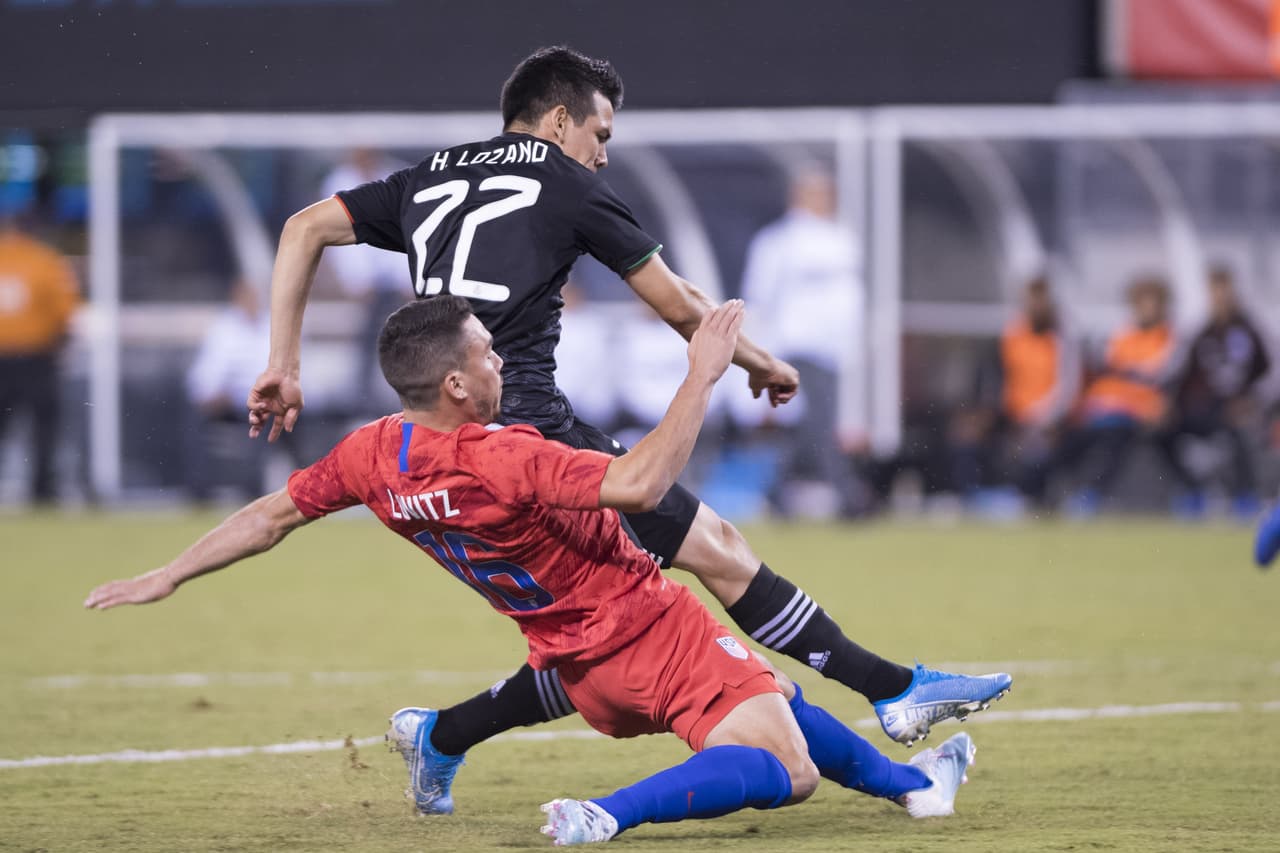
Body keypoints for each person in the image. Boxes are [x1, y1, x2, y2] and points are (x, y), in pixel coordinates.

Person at [245, 46, 1010, 808]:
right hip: (532, 435)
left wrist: (283, 361)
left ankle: (443, 734)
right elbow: (678, 303)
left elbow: (303, 228)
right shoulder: (566, 182)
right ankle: (891, 689)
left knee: (601, 630)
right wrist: (757, 360)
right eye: (600, 133)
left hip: (453, 438)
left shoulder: (430, 175)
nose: (604, 153)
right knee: (710, 555)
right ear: (558, 120)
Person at [87, 297, 977, 843]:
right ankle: (606, 814)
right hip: (648, 629)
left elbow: (271, 515)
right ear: (456, 387)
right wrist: (702, 374)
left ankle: (917, 784)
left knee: (773, 695)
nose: (498, 358)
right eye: (485, 351)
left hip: (573, 667)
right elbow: (640, 484)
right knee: (789, 769)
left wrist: (169, 573)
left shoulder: (371, 455)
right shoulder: (501, 454)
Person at [740, 169, 867, 518]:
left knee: (811, 426)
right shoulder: (778, 242)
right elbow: (760, 299)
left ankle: (776, 493)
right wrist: (761, 353)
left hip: (831, 349)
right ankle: (848, 497)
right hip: (797, 344)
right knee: (819, 422)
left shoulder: (842, 239)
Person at [1048, 275, 1175, 514]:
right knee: (1065, 441)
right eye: (1142, 303)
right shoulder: (1122, 337)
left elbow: (1159, 377)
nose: (1147, 310)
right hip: (1101, 409)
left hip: (1137, 414)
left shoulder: (1169, 339)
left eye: (1153, 304)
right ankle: (1036, 492)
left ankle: (1091, 496)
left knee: (1114, 441)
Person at [1154, 265, 1270, 518]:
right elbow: (1177, 373)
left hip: (1238, 407)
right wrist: (1167, 403)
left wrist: (1252, 400)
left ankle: (1245, 496)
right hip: (1203, 408)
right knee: (1159, 432)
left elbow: (1269, 372)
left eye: (1224, 291)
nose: (1220, 298)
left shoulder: (1251, 330)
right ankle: (1192, 490)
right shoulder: (1199, 331)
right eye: (1215, 292)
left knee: (1239, 429)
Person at [0, 215, 80, 505]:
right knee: (43, 426)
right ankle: (41, 489)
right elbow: (65, 312)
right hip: (36, 356)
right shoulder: (45, 260)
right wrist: (62, 345)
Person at [183, 277, 272, 501]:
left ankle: (253, 488)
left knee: (271, 426)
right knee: (194, 422)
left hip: (261, 402)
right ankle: (199, 490)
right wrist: (210, 394)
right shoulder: (223, 328)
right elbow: (207, 372)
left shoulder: (271, 328)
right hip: (227, 401)